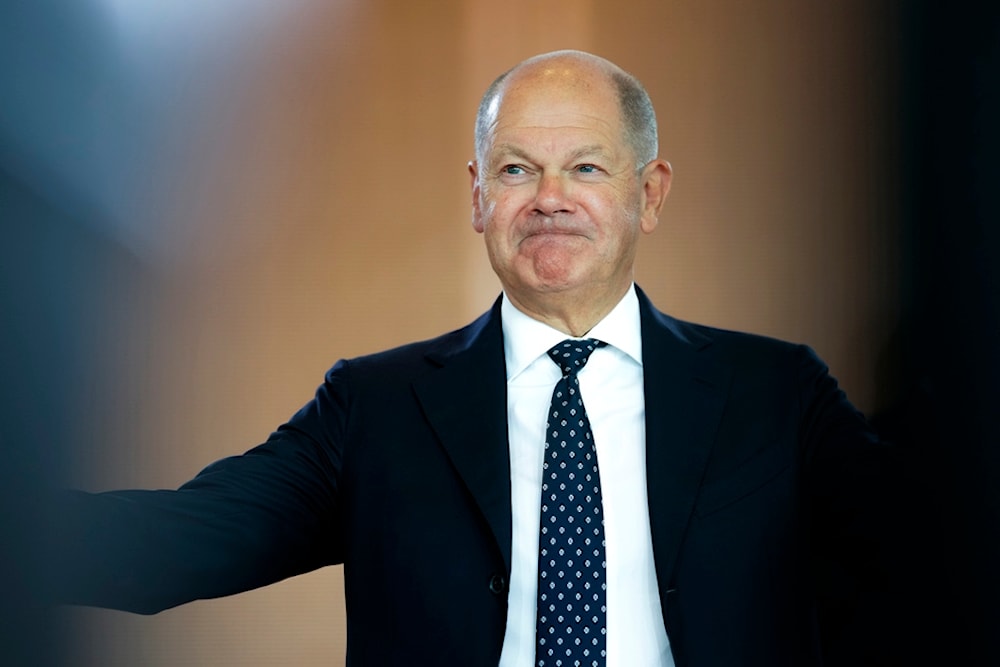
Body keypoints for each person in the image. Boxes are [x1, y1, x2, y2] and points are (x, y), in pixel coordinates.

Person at [51, 50, 889, 666]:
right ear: (481, 198)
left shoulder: (778, 393)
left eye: (585, 167)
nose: (549, 197)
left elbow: (928, 557)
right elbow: (177, 539)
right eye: (516, 169)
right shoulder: (374, 407)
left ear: (650, 192)